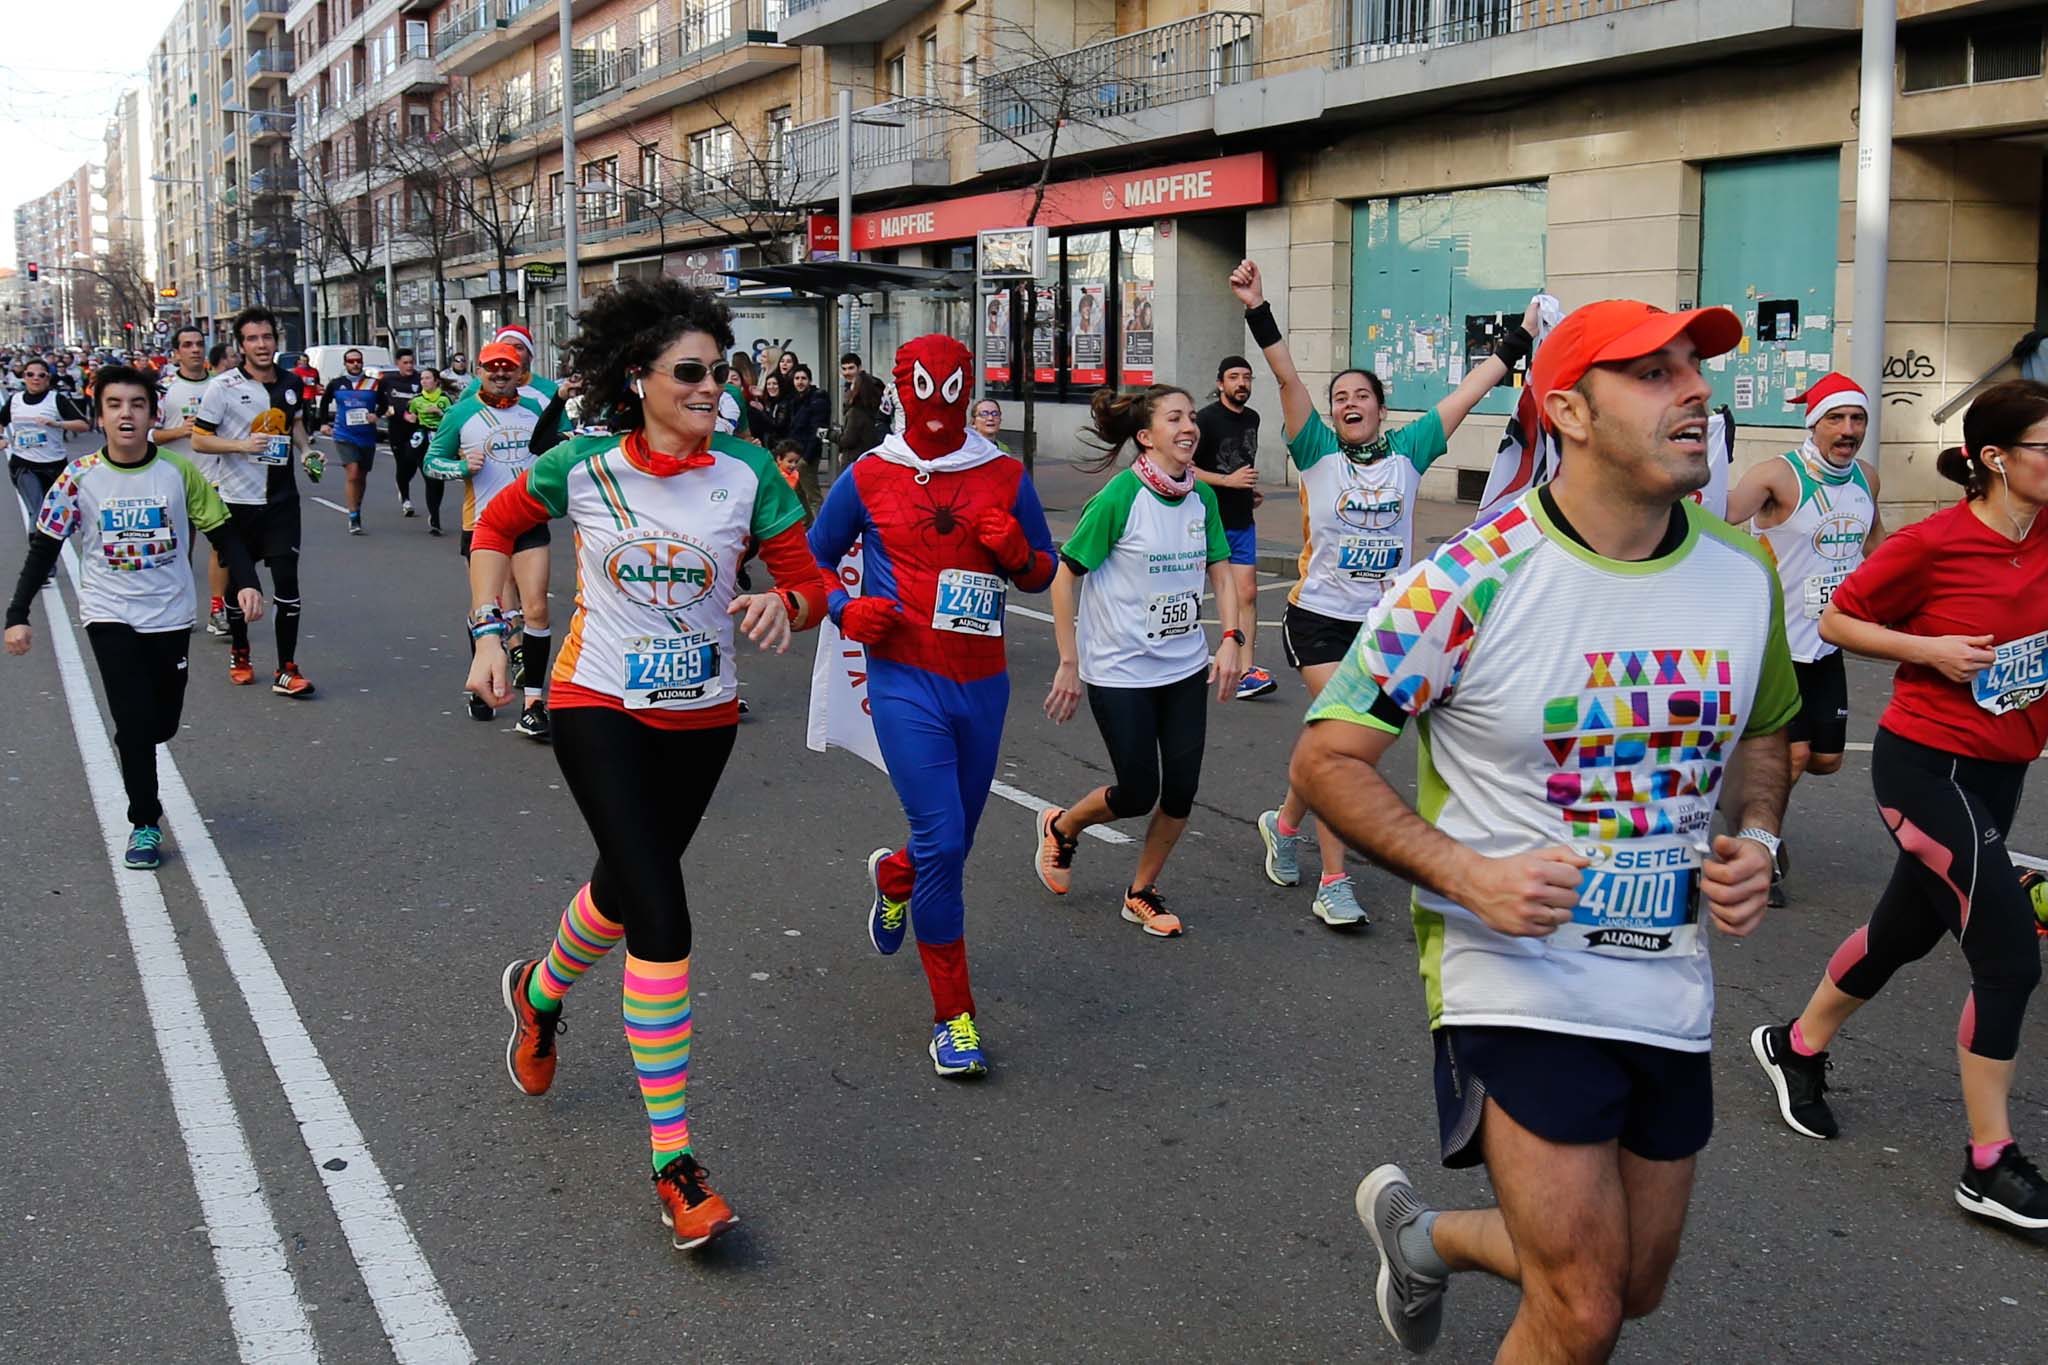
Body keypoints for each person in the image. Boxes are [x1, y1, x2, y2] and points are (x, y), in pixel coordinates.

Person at [1291, 297, 1795, 1360]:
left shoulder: (1738, 573)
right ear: (1565, 410)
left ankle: (1423, 1240)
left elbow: (1767, 731)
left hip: (1664, 975)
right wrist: (1468, 877)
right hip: (1511, 972)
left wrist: (1758, 837)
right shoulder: (1470, 580)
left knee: (1634, 1285)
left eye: (1691, 370)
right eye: (1653, 373)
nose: (1694, 389)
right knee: (1580, 1307)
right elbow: (1323, 760)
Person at [477, 278, 828, 1252]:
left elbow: (810, 584)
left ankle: (538, 995)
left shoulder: (750, 473)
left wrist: (784, 607)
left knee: (623, 890)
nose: (712, 385)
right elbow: (498, 527)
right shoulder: (582, 466)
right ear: (638, 379)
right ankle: (674, 1163)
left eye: (721, 371)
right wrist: (489, 633)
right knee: (661, 913)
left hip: (702, 717)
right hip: (597, 705)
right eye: (690, 371)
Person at [1751, 378, 2048, 1230]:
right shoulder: (1934, 544)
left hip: (2000, 769)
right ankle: (1988, 1163)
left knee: (1901, 934)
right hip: (1926, 768)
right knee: (2007, 957)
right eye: (2044, 446)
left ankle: (1794, 1045)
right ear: (1996, 459)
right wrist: (1931, 649)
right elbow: (1838, 618)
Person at [1232, 258, 1541, 929]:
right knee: (1345, 748)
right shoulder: (1316, 451)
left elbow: (1474, 388)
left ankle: (1284, 823)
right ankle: (1334, 879)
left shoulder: (1410, 449)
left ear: (1379, 405)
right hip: (1316, 620)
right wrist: (1258, 308)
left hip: (1385, 626)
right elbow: (1285, 375)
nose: (1348, 402)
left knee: (1333, 745)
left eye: (1360, 395)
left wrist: (1520, 338)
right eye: (1339, 395)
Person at [810, 334, 1057, 1078]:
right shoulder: (870, 473)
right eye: (926, 387)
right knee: (945, 842)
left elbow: (1044, 570)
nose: (941, 404)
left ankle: (895, 875)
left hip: (983, 683)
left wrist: (1015, 549)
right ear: (902, 390)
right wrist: (843, 609)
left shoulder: (1005, 473)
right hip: (903, 677)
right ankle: (955, 1018)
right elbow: (812, 554)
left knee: (951, 844)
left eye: (954, 388)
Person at [4, 365, 265, 869]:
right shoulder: (78, 478)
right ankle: (144, 822)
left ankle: (144, 755)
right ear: (100, 417)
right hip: (109, 611)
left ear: (152, 414)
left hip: (168, 613)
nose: (127, 413)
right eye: (115, 405)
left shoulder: (178, 471)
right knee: (132, 722)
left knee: (161, 722)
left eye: (138, 404)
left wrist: (248, 581)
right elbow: (44, 548)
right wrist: (18, 614)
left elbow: (223, 530)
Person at [1037, 385, 1244, 936]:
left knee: (1180, 790)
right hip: (1120, 671)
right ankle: (1063, 826)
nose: (1189, 427)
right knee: (1136, 792)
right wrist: (1067, 660)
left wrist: (1233, 637)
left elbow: (1219, 568)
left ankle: (1141, 890)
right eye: (1174, 418)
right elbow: (1064, 577)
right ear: (1146, 436)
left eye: (1191, 418)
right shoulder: (1119, 498)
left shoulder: (1201, 498)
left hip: (1181, 668)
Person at [1724, 371, 1884, 906]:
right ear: (1813, 424)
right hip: (1776, 643)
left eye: (1856, 418)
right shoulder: (1777, 476)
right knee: (1789, 759)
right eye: (1836, 418)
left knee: (1825, 760)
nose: (1848, 429)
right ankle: (1760, 845)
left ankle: (1738, 793)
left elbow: (1877, 547)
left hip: (1827, 641)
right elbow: (1715, 525)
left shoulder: (1867, 478)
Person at [425, 340, 556, 738]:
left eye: (508, 367)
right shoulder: (461, 413)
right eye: (492, 368)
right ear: (479, 372)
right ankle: (483, 685)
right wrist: (462, 465)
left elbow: (562, 446)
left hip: (529, 521)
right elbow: (432, 462)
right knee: (489, 609)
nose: (500, 374)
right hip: (482, 524)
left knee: (536, 609)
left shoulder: (535, 409)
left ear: (520, 372)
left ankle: (534, 703)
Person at [190, 305, 320, 697]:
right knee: (239, 587)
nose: (261, 345)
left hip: (281, 501)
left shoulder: (292, 382)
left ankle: (286, 668)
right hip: (236, 502)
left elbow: (295, 422)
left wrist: (307, 451)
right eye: (252, 339)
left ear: (275, 340)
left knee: (287, 586)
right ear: (241, 345)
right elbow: (199, 438)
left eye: (266, 337)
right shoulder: (223, 387)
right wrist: (240, 445)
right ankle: (241, 653)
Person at [1191, 354, 1273, 700]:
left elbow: (1240, 463)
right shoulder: (1205, 421)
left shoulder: (1252, 418)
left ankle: (1245, 670)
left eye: (1247, 377)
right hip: (1207, 519)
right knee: (1189, 593)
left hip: (1241, 518)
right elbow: (1189, 469)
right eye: (1234, 377)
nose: (1242, 383)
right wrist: (1227, 481)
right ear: (1220, 383)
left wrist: (1246, 490)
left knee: (1248, 593)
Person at [149, 325, 230, 636]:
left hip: (216, 478)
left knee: (220, 546)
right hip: (176, 478)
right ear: (177, 352)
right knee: (179, 550)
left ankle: (217, 610)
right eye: (187, 345)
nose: (195, 349)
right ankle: (176, 606)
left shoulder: (221, 385)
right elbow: (148, 435)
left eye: (199, 344)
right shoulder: (164, 390)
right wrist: (179, 431)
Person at [2, 358, 92, 513]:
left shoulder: (56, 399)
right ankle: (35, 536)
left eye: (41, 375)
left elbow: (83, 425)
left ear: (47, 378)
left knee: (54, 513)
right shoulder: (15, 400)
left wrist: (57, 424)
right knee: (37, 511)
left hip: (54, 464)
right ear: (24, 377)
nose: (35, 378)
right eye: (30, 374)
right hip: (23, 464)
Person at [316, 348, 384, 535]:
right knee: (353, 473)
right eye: (351, 361)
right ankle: (354, 516)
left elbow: (385, 404)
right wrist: (323, 423)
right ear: (345, 364)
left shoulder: (374, 384)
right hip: (344, 434)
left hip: (367, 435)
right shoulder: (337, 384)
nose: (355, 364)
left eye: (358, 361)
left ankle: (357, 506)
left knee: (361, 476)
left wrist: (376, 415)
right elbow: (324, 402)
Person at [378, 349, 426, 518]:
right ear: (397, 363)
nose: (409, 366)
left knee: (412, 461)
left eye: (411, 362)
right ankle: (406, 499)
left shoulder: (419, 380)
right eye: (405, 363)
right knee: (401, 462)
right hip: (397, 428)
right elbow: (379, 399)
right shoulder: (388, 380)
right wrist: (385, 411)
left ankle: (403, 484)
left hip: (415, 429)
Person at [405, 367, 453, 535]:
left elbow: (454, 418)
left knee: (437, 480)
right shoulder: (417, 400)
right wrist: (410, 418)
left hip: (440, 438)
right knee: (429, 478)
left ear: (436, 381)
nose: (424, 381)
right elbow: (408, 414)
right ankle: (435, 519)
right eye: (422, 379)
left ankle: (435, 512)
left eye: (427, 378)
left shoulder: (445, 399)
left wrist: (440, 412)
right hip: (423, 438)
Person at [786, 363, 830, 513]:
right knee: (799, 493)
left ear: (810, 381)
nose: (800, 381)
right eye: (797, 378)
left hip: (807, 455)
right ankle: (807, 527)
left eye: (803, 378)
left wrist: (807, 456)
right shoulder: (796, 401)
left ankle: (819, 530)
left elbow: (819, 430)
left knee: (812, 495)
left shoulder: (817, 399)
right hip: (796, 454)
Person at [835, 371, 886, 472]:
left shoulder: (856, 412)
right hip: (869, 459)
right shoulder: (875, 411)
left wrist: (830, 434)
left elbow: (847, 440)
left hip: (854, 460)